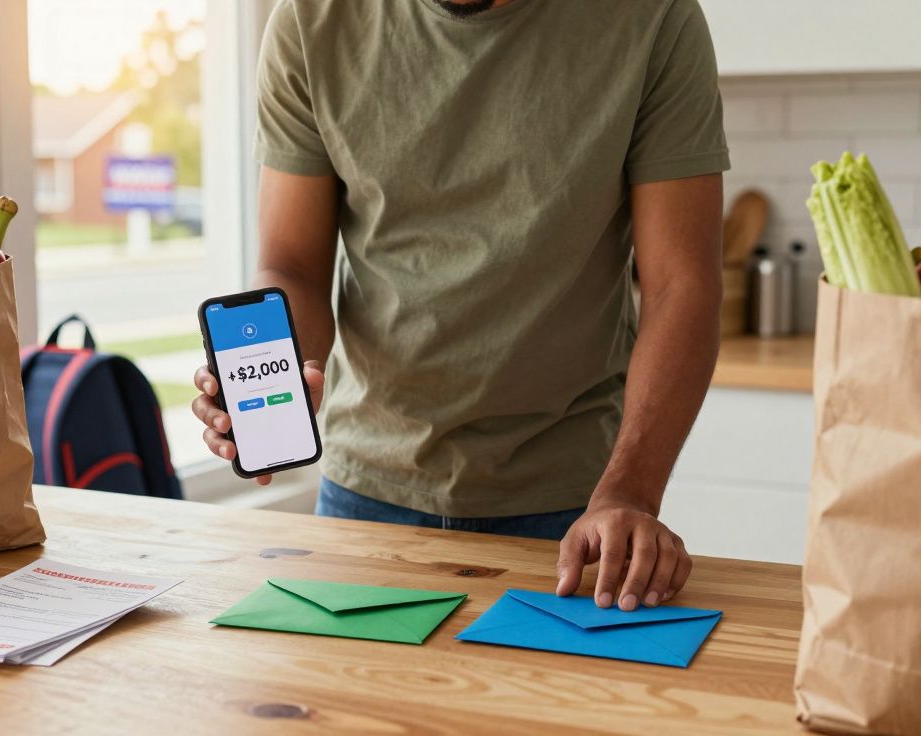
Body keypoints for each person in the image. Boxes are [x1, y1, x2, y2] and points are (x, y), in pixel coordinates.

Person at [193, 0, 728, 613]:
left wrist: (630, 493)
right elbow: (292, 265)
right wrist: (278, 368)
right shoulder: (312, 20)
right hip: (365, 488)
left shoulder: (653, 16)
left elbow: (680, 285)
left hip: (574, 505)